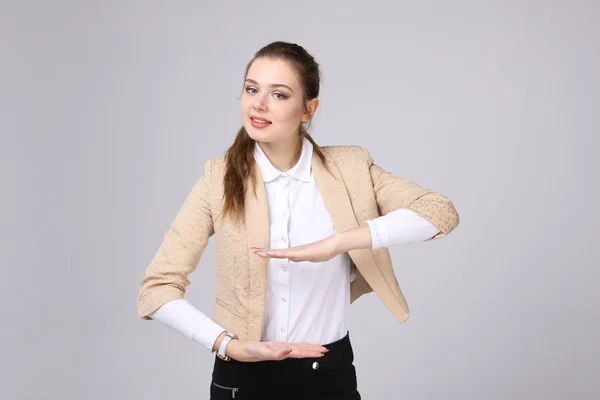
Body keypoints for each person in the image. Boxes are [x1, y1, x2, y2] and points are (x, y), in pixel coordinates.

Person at [136, 41, 459, 400]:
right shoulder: (217, 179)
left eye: (279, 94)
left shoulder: (351, 169)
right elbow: (156, 290)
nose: (258, 104)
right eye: (251, 89)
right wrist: (230, 345)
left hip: (328, 376)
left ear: (308, 109)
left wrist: (339, 242)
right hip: (243, 379)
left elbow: (439, 212)